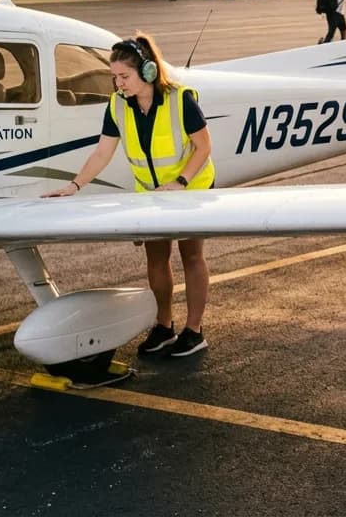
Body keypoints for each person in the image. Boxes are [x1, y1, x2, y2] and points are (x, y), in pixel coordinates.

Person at [43, 33, 216, 358]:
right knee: (156, 258)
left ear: (148, 72)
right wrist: (74, 186)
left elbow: (204, 147)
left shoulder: (181, 100)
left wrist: (180, 181)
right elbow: (102, 153)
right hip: (151, 194)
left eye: (124, 76)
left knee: (191, 256)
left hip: (190, 189)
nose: (118, 83)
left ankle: (194, 331)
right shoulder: (118, 106)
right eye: (114, 77)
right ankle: (164, 326)